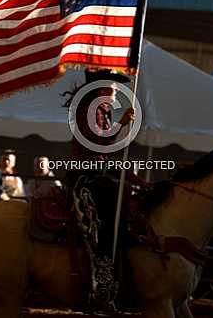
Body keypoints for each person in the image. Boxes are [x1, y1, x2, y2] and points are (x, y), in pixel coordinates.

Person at [62, 69, 135, 312]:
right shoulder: (89, 111)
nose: (115, 90)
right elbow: (95, 141)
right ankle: (101, 283)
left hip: (94, 174)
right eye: (112, 86)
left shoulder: (99, 111)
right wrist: (121, 125)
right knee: (103, 224)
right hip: (85, 178)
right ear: (101, 89)